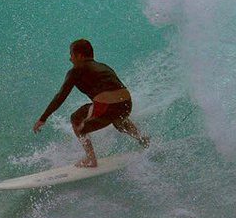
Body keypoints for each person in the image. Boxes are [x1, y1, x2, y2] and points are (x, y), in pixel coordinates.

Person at [32, 38, 150, 167]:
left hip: (108, 106)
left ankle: (90, 159)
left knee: (76, 119)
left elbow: (60, 96)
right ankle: (142, 138)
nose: (70, 59)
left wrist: (43, 118)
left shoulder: (76, 70)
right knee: (118, 121)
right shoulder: (104, 66)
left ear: (80, 55)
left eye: (71, 54)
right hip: (126, 104)